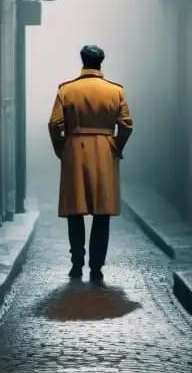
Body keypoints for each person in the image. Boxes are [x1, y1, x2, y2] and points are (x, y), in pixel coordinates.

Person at [48, 44, 134, 282]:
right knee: (101, 211)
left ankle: (77, 263)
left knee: (75, 211)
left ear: (82, 61)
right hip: (105, 149)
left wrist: (62, 149)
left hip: (75, 148)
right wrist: (116, 146)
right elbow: (126, 124)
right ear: (101, 62)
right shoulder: (115, 91)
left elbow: (55, 124)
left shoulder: (67, 90)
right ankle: (96, 266)